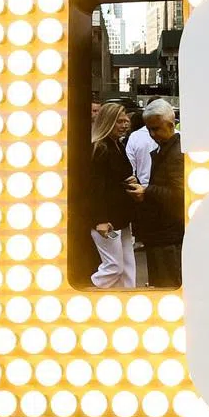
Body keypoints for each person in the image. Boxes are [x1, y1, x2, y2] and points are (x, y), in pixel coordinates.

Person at [127, 100, 184, 288]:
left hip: (167, 234)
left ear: (170, 124)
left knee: (166, 285)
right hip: (164, 232)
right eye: (149, 129)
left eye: (156, 129)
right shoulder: (169, 149)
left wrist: (147, 191)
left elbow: (179, 194)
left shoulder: (175, 153)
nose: (153, 135)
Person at [89, 102, 136, 290]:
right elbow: (95, 188)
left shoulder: (117, 145)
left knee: (127, 266)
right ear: (108, 122)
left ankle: (128, 298)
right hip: (107, 218)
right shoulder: (100, 148)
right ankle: (88, 289)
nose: (125, 125)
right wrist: (100, 219)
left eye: (126, 121)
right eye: (119, 121)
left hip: (120, 216)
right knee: (114, 266)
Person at [125, 107, 157, 187]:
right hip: (169, 189)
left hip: (142, 186)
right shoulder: (179, 135)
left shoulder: (135, 136)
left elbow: (130, 165)